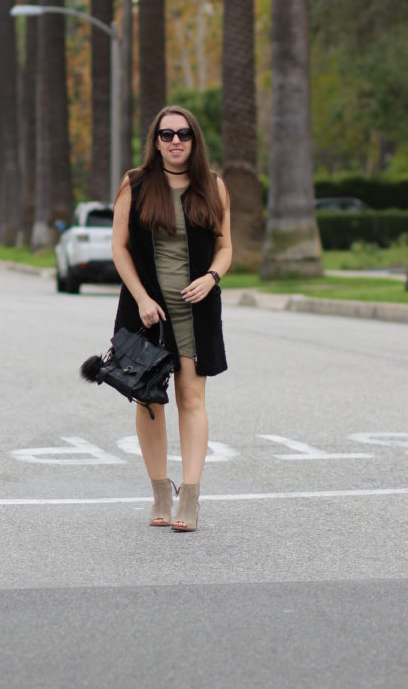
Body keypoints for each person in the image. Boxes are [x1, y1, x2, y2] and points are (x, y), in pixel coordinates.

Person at [111, 105, 232, 532]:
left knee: (191, 398)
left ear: (195, 140)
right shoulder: (137, 184)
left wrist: (212, 277)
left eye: (183, 134)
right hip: (148, 309)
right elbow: (120, 248)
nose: (175, 141)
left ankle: (191, 496)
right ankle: (161, 489)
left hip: (196, 309)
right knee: (148, 399)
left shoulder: (212, 186)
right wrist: (141, 297)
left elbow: (225, 246)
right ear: (156, 141)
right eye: (166, 134)